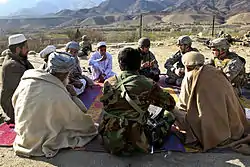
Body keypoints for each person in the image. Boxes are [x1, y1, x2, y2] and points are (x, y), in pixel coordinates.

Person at [12, 52, 98, 158]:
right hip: (37, 141)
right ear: (66, 73)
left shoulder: (27, 80)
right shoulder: (57, 94)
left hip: (24, 134)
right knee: (85, 130)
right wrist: (73, 96)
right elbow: (80, 120)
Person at [100, 47, 176, 155]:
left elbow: (106, 105)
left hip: (110, 138)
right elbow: (170, 104)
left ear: (120, 64)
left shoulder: (108, 82)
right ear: (139, 64)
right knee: (169, 115)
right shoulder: (148, 83)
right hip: (137, 140)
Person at [173, 51, 250, 154]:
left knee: (173, 110)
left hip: (209, 133)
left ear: (187, 66)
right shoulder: (217, 72)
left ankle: (194, 136)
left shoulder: (190, 76)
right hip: (235, 127)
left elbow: (183, 105)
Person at [0, 34, 34, 124]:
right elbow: (27, 89)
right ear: (18, 49)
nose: (28, 50)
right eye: (26, 47)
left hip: (20, 103)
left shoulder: (20, 59)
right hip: (14, 108)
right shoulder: (12, 65)